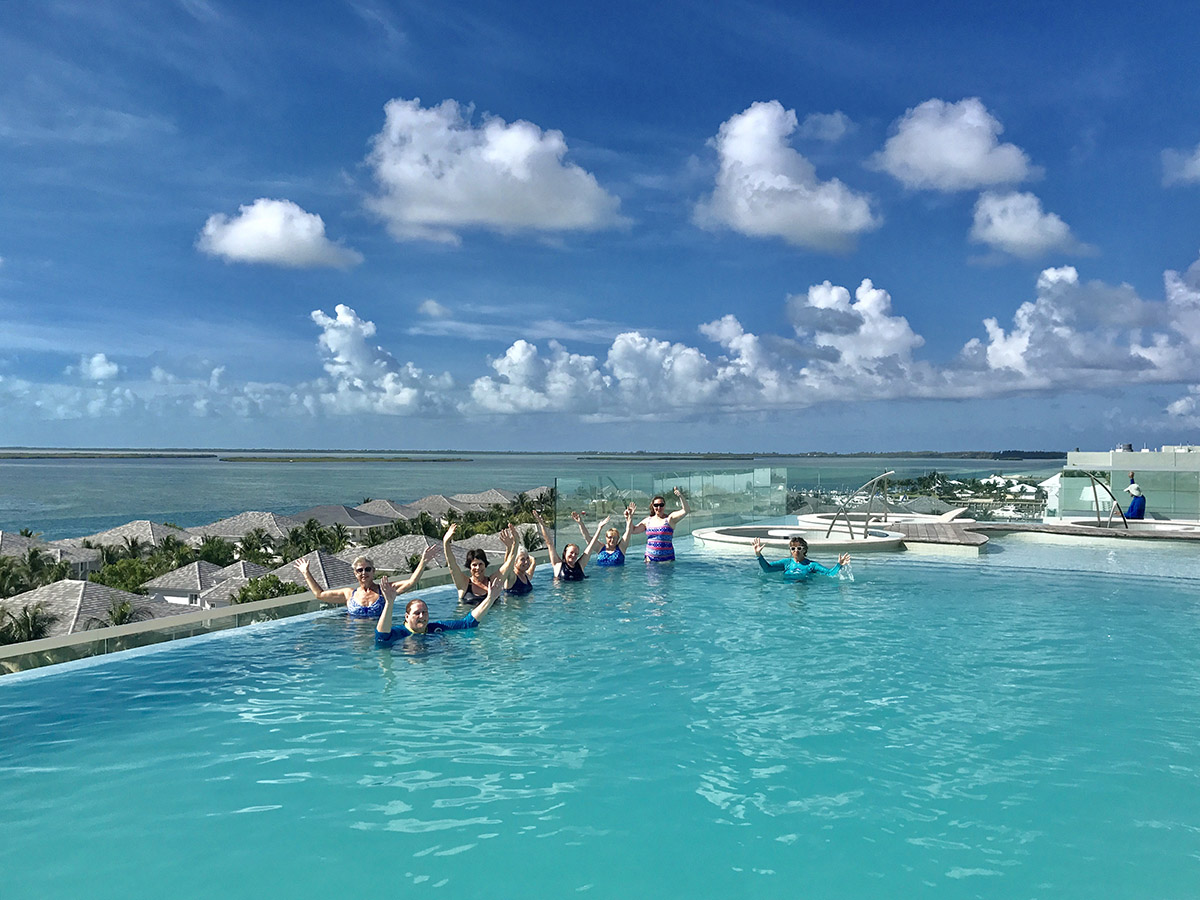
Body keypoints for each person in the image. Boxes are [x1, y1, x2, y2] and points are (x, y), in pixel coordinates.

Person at [294, 546, 437, 618]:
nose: (364, 573)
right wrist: (306, 573)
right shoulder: (348, 594)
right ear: (355, 573)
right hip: (355, 636)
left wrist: (423, 562)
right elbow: (319, 595)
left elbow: (411, 582)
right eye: (360, 570)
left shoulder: (384, 590)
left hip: (379, 634)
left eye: (367, 569)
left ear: (373, 571)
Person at [375, 574, 504, 646]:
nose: (422, 616)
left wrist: (490, 599)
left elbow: (468, 623)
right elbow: (382, 637)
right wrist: (389, 603)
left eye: (424, 612)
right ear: (407, 617)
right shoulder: (399, 633)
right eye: (417, 613)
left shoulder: (435, 628)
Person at [443, 523, 517, 604]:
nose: (478, 568)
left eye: (480, 564)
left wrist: (515, 543)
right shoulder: (464, 584)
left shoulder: (493, 581)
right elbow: (452, 565)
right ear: (469, 566)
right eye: (474, 565)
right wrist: (446, 543)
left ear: (485, 565)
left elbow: (509, 563)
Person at [532, 508, 602, 581]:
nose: (573, 555)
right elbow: (549, 543)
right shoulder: (558, 564)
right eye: (571, 552)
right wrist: (541, 524)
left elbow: (591, 545)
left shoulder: (580, 565)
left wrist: (598, 528)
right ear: (565, 553)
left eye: (576, 554)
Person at [631, 487, 689, 562]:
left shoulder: (669, 519)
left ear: (664, 506)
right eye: (656, 505)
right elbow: (633, 530)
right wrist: (629, 517)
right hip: (650, 560)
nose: (659, 507)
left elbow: (686, 510)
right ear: (653, 506)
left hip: (666, 561)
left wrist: (680, 496)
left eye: (661, 505)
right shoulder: (648, 521)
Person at [752, 536, 849, 580]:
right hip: (788, 589)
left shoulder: (811, 565)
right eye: (793, 548)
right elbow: (767, 569)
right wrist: (758, 555)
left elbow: (829, 573)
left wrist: (839, 565)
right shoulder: (786, 563)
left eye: (799, 548)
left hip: (804, 588)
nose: (796, 551)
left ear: (804, 550)